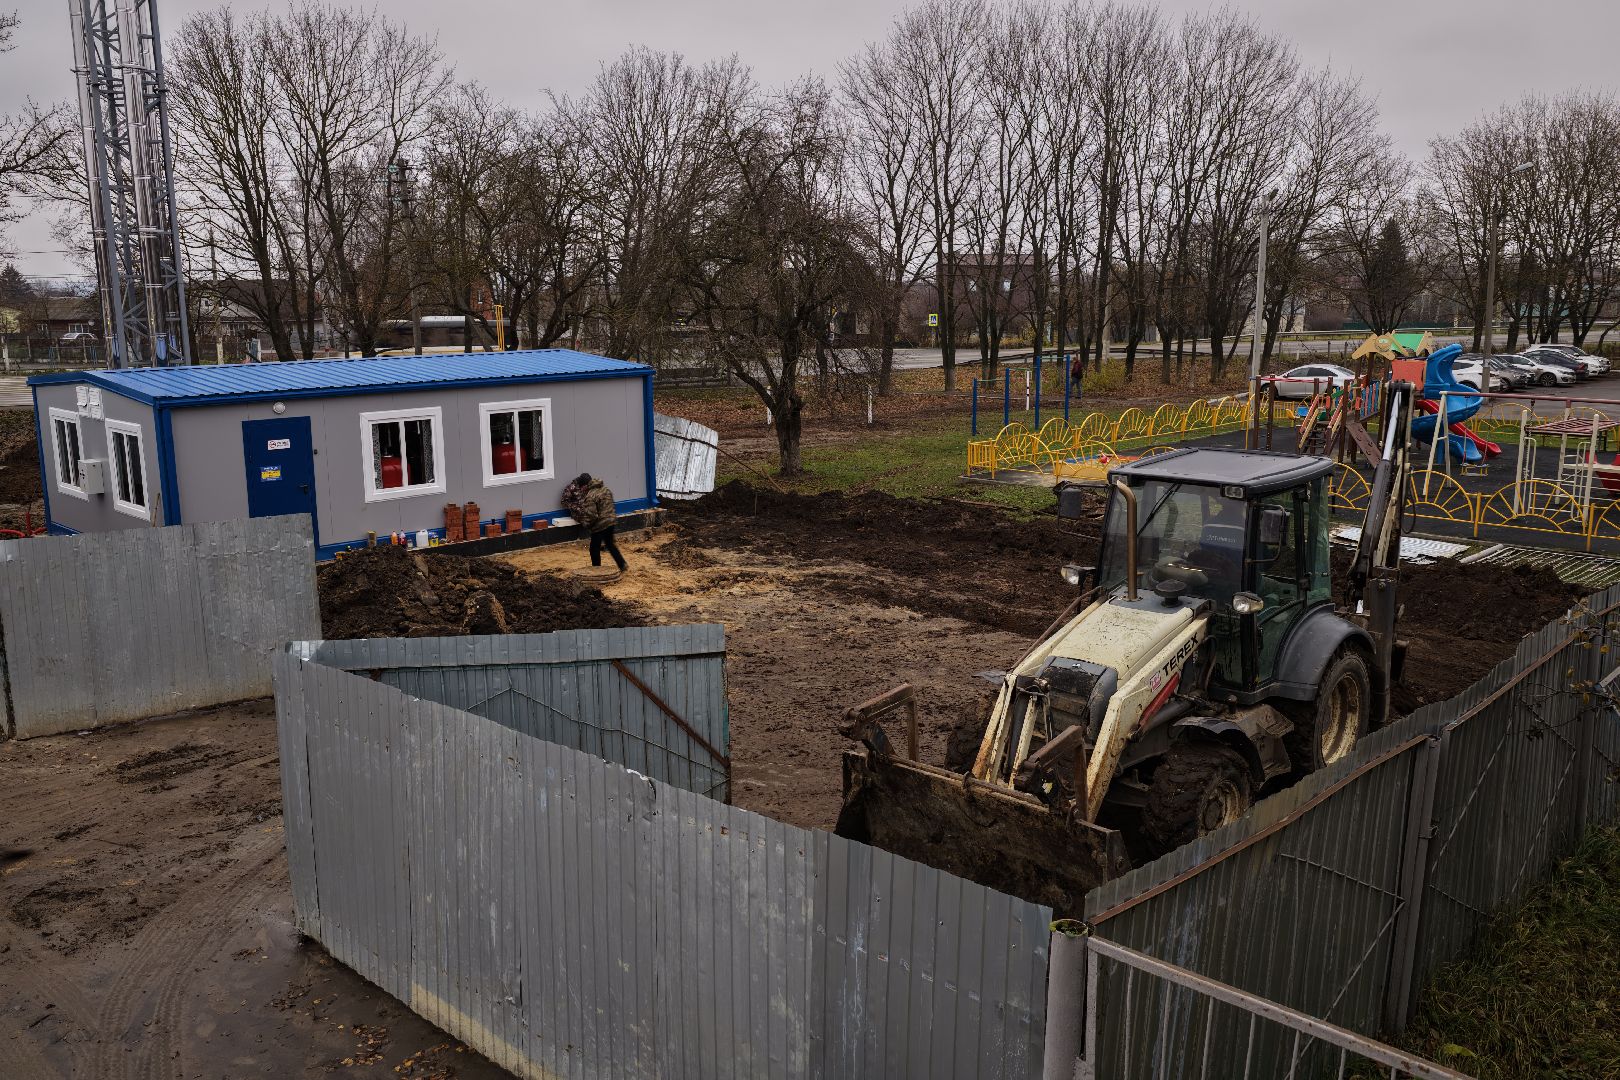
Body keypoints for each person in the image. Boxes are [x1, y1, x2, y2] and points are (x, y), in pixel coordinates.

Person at [562, 472, 627, 573]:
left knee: (594, 549)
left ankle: (596, 569)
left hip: (600, 526)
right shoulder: (606, 490)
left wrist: (586, 524)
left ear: (587, 486)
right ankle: (622, 564)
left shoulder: (590, 496)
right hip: (611, 522)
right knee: (610, 544)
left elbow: (592, 515)